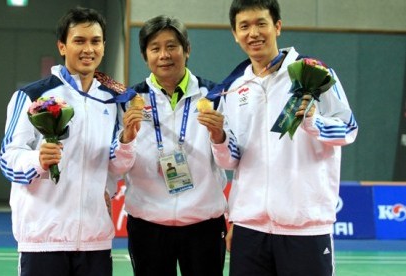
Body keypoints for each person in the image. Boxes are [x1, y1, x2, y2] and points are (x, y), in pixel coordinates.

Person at [207, 0, 359, 275]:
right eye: (244, 26)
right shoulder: (233, 89)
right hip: (250, 229)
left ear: (277, 27)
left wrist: (314, 121)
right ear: (234, 34)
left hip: (305, 228)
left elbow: (349, 128)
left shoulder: (314, 74)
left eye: (261, 23)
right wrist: (218, 138)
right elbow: (232, 160)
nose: (253, 33)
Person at [0, 7, 122, 276]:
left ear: (103, 46)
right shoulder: (33, 95)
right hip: (43, 239)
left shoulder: (112, 100)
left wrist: (108, 188)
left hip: (94, 240)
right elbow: (8, 159)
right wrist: (37, 160)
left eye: (95, 41)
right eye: (79, 41)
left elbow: (113, 163)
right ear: (62, 46)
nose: (88, 49)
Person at [110, 15, 228, 276]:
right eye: (155, 48)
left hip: (204, 225)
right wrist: (126, 138)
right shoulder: (128, 101)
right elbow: (117, 165)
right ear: (145, 55)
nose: (164, 55)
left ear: (187, 50)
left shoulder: (214, 96)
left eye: (172, 46)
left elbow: (229, 160)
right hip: (148, 225)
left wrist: (220, 136)